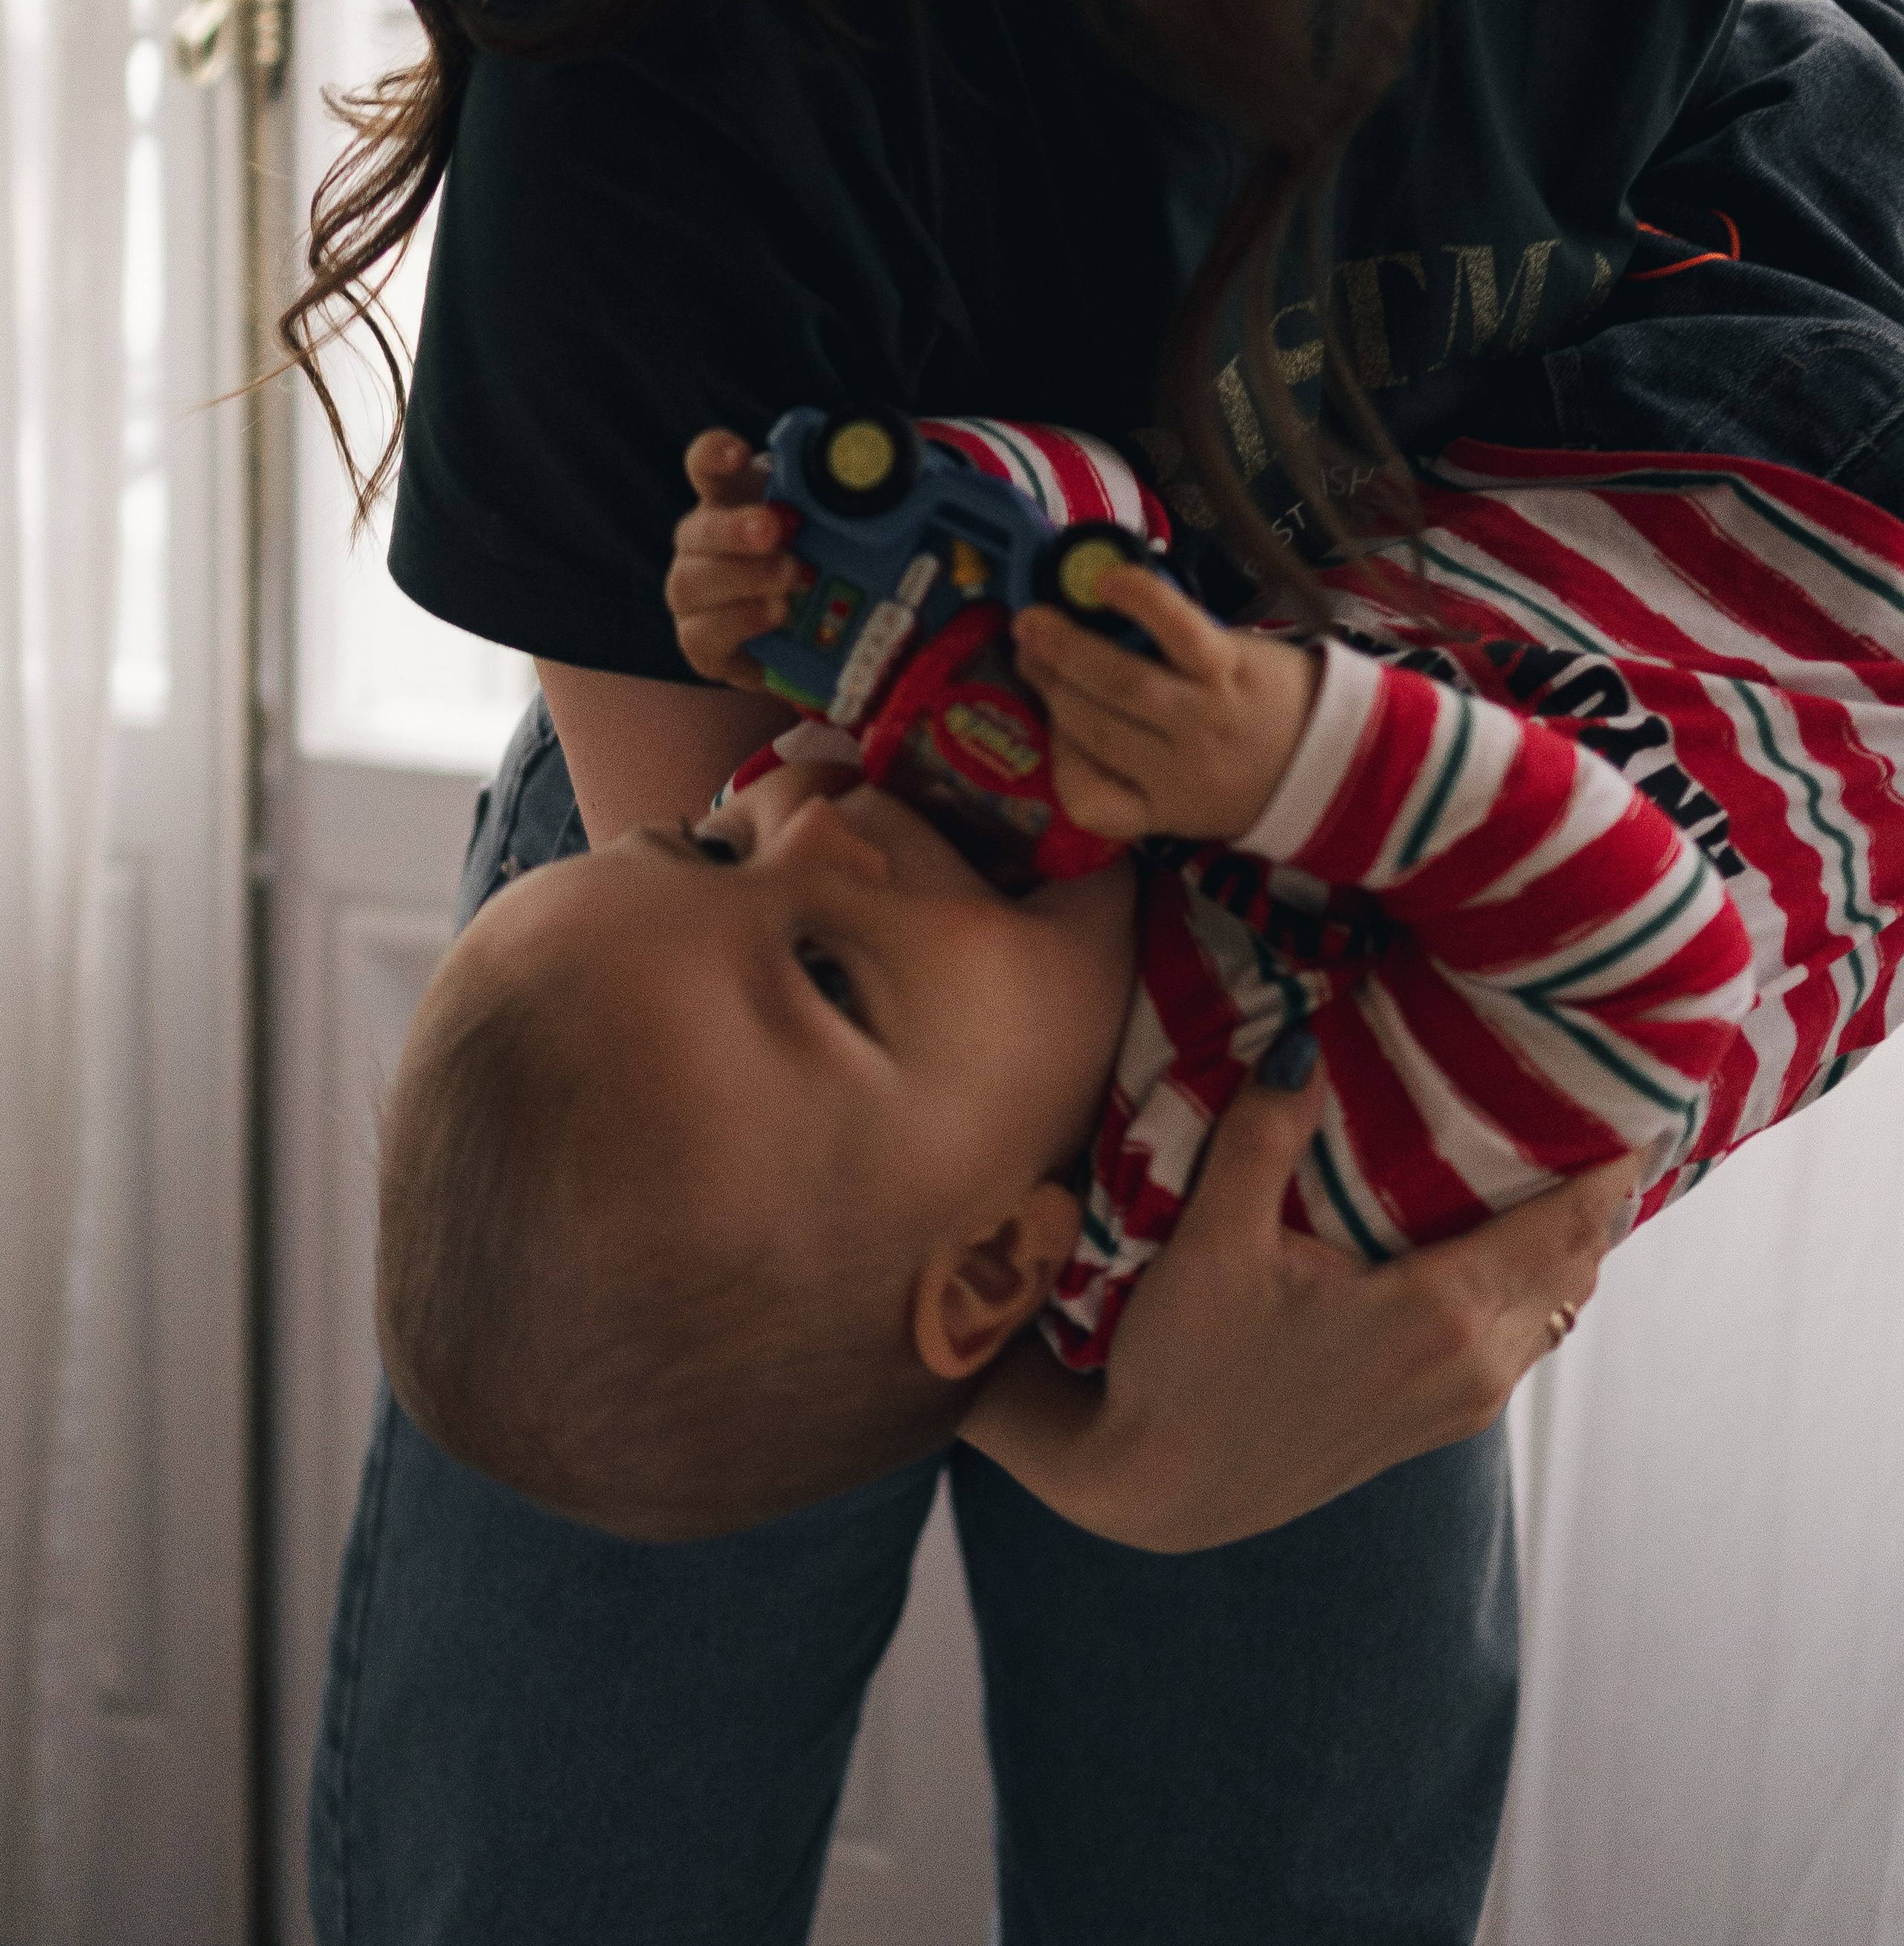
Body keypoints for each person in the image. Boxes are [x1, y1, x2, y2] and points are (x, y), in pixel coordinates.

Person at [287, 0, 1904, 1940]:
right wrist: (1122, 1441)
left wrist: (1413, 1238)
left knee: (1280, 1866)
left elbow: (1631, 501)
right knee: (543, 1868)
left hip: (1365, 862)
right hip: (789, 877)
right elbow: (755, 829)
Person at [373, 412, 1904, 1548]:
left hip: (1628, 417)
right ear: (993, 1270)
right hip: (1853, 573)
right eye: (826, 977)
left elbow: (1122, 546)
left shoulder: (944, 854)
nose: (815, 822)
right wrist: (1268, 748)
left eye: (710, 850)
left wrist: (890, 534)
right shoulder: (1287, 1198)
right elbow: (1651, 963)